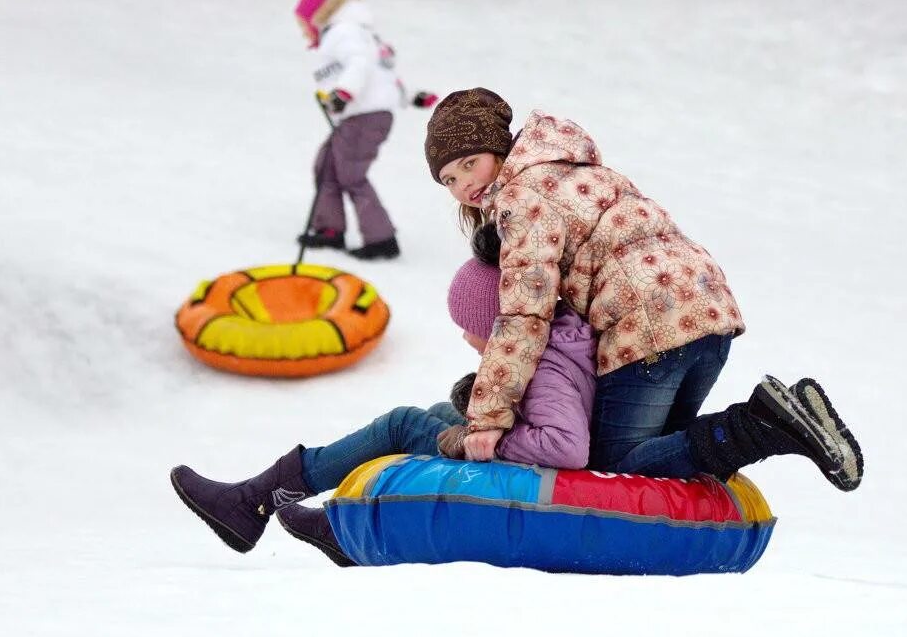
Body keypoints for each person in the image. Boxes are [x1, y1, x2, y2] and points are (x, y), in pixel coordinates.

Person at [425, 88, 864, 489]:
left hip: (646, 328)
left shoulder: (521, 199)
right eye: (449, 179)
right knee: (668, 455)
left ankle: (765, 422)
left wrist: (486, 422)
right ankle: (781, 418)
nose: (463, 183)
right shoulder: (575, 169)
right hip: (707, 310)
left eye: (469, 163)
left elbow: (525, 315)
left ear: (500, 148)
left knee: (615, 469)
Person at [169, 227, 596, 566]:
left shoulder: (547, 367)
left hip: (534, 466)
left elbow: (566, 446)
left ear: (503, 325)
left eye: (473, 327)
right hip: (526, 443)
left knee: (404, 424)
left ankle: (253, 502)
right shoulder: (545, 337)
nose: (466, 337)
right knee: (436, 413)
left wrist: (483, 441)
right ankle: (341, 530)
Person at [293, 0, 433, 260]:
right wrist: (410, 96)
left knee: (351, 175)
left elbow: (360, 65)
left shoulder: (342, 32)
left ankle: (381, 239)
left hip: (363, 117)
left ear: (316, 16)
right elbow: (382, 75)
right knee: (327, 165)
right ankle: (329, 229)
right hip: (366, 114)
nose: (304, 33)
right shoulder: (358, 33)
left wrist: (342, 94)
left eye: (304, 25)